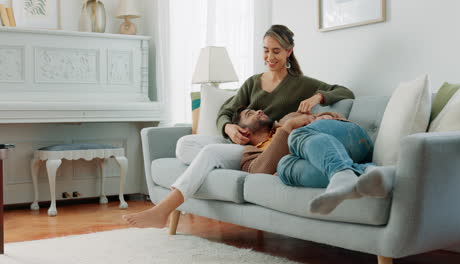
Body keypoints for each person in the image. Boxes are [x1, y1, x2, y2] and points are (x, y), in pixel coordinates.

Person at [123, 24, 355, 228]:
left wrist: (318, 98)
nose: (270, 56)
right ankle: (218, 165)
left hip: (259, 149)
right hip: (234, 141)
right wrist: (229, 129)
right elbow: (225, 111)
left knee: (209, 152)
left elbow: (344, 91)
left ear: (288, 52)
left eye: (276, 51)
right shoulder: (253, 82)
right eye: (266, 50)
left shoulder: (301, 84)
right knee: (184, 145)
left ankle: (162, 210)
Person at [233, 107, 394, 214]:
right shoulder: (251, 153)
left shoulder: (288, 119)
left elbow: (332, 116)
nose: (258, 111)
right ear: (244, 131)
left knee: (296, 136)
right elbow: (258, 171)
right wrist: (288, 129)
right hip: (338, 158)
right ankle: (371, 173)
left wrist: (324, 117)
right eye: (250, 114)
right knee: (283, 166)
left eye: (255, 110)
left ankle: (342, 172)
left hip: (351, 139)